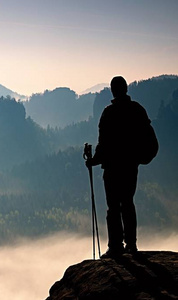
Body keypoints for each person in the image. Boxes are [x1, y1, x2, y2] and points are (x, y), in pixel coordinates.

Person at [86, 76, 153, 258]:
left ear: (113, 90)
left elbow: (103, 144)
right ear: (126, 89)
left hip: (112, 168)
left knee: (113, 207)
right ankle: (131, 244)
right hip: (130, 167)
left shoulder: (109, 113)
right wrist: (140, 158)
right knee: (128, 204)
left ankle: (116, 246)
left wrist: (93, 161)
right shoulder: (137, 110)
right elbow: (150, 139)